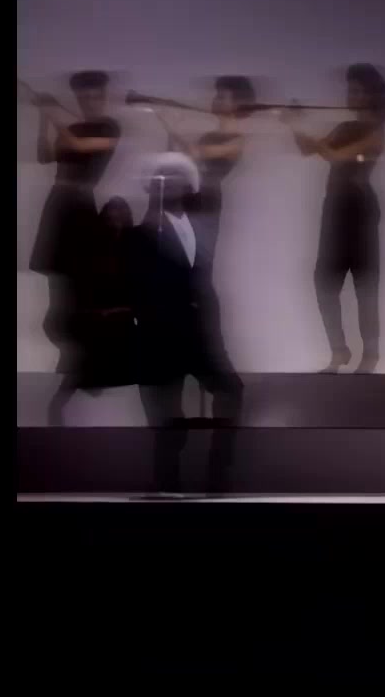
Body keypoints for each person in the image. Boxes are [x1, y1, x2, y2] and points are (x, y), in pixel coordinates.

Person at [129, 153, 243, 497]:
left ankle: (218, 473)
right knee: (165, 409)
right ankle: (166, 481)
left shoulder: (203, 221)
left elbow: (216, 177)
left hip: (203, 331)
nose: (170, 182)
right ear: (152, 186)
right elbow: (136, 285)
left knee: (231, 390)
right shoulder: (142, 232)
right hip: (162, 334)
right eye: (162, 177)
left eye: (177, 176)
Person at [286, 63, 385, 374]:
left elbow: (335, 156)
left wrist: (314, 138)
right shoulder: (345, 127)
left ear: (371, 96)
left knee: (364, 284)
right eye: (350, 89)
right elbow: (307, 150)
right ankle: (339, 351)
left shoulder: (375, 131)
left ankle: (370, 356)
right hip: (334, 208)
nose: (350, 95)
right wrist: (295, 124)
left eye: (357, 91)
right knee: (324, 281)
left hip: (359, 209)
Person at [29, 71, 122, 379]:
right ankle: (71, 357)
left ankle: (84, 358)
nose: (90, 102)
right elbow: (44, 156)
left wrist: (52, 111)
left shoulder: (110, 127)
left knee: (78, 284)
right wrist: (44, 116)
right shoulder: (71, 128)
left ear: (103, 97)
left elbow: (80, 146)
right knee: (58, 283)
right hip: (58, 204)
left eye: (96, 96)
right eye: (85, 97)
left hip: (80, 208)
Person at [46, 198, 139, 426]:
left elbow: (138, 291)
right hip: (95, 323)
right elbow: (81, 288)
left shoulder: (132, 251)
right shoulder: (93, 251)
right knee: (78, 372)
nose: (114, 224)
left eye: (118, 219)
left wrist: (120, 310)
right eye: (110, 219)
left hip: (118, 322)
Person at [152, 75, 255, 262]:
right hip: (189, 198)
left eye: (222, 97)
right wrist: (171, 129)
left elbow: (196, 152)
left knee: (199, 260)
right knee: (181, 258)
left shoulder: (238, 140)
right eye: (217, 96)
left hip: (207, 202)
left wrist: (171, 127)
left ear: (237, 104)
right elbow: (187, 159)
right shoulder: (208, 136)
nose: (215, 100)